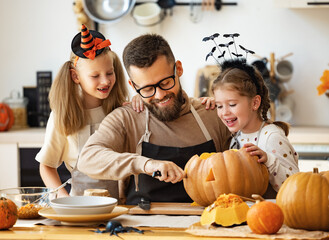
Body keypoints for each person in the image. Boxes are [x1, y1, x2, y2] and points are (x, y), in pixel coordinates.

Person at [78, 33, 231, 205]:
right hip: (144, 225)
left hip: (205, 223)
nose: (159, 95)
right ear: (133, 86)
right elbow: (88, 159)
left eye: (165, 83)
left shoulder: (212, 115)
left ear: (178, 69)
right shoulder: (126, 118)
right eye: (147, 89)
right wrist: (145, 165)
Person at [35, 25, 131, 198]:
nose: (105, 81)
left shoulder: (121, 110)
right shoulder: (62, 117)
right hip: (79, 204)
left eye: (110, 73)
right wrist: (64, 199)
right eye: (95, 76)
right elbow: (47, 166)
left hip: (121, 204)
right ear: (75, 76)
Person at [211, 58, 299, 198]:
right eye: (219, 106)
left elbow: (296, 186)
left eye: (232, 104)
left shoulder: (272, 137)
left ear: (255, 103)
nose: (224, 112)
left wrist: (269, 161)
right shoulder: (237, 135)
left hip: (271, 214)